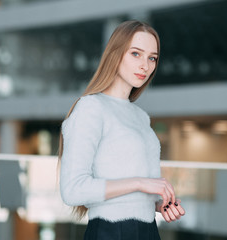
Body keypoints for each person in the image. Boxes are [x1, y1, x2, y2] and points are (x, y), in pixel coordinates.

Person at [59, 20, 185, 240]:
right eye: (136, 54)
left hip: (148, 231)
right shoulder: (91, 107)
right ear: (115, 54)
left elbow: (129, 192)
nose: (145, 65)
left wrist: (157, 204)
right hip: (110, 232)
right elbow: (73, 190)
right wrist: (140, 183)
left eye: (152, 58)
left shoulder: (140, 117)